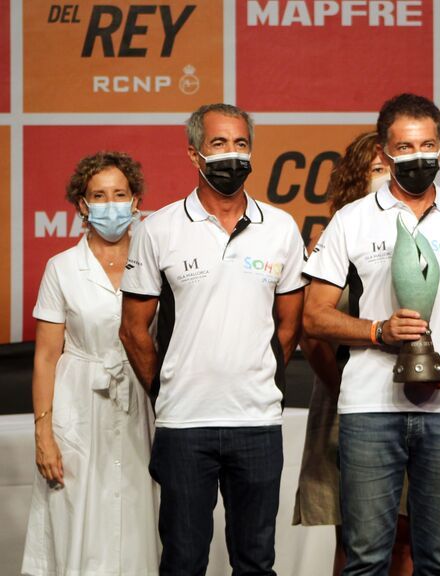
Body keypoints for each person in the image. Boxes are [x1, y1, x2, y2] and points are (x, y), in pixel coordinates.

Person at [303, 93, 440, 575]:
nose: (418, 157)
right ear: (383, 151)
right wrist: (378, 330)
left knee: (439, 559)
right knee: (366, 559)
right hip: (370, 405)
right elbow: (314, 316)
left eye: (428, 145)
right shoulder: (351, 220)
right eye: (405, 147)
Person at [119, 103, 307, 575]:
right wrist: (165, 389)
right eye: (219, 144)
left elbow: (290, 326)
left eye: (241, 144)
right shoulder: (158, 229)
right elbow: (132, 328)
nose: (232, 155)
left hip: (257, 420)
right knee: (183, 561)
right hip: (184, 424)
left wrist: (262, 376)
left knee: (256, 560)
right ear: (194, 154)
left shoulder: (281, 228)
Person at [22, 151, 159, 576]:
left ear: (136, 201)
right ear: (82, 205)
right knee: (77, 519)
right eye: (99, 195)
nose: (110, 203)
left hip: (143, 399)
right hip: (77, 407)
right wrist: (43, 433)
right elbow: (46, 356)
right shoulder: (61, 268)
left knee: (139, 517)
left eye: (120, 194)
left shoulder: (155, 262)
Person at [293, 131, 413, 576]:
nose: (387, 179)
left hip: (414, 398)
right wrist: (341, 387)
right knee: (355, 534)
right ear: (354, 180)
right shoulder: (334, 239)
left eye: (392, 169)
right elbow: (312, 332)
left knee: (408, 531)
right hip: (347, 399)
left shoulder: (430, 232)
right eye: (377, 170)